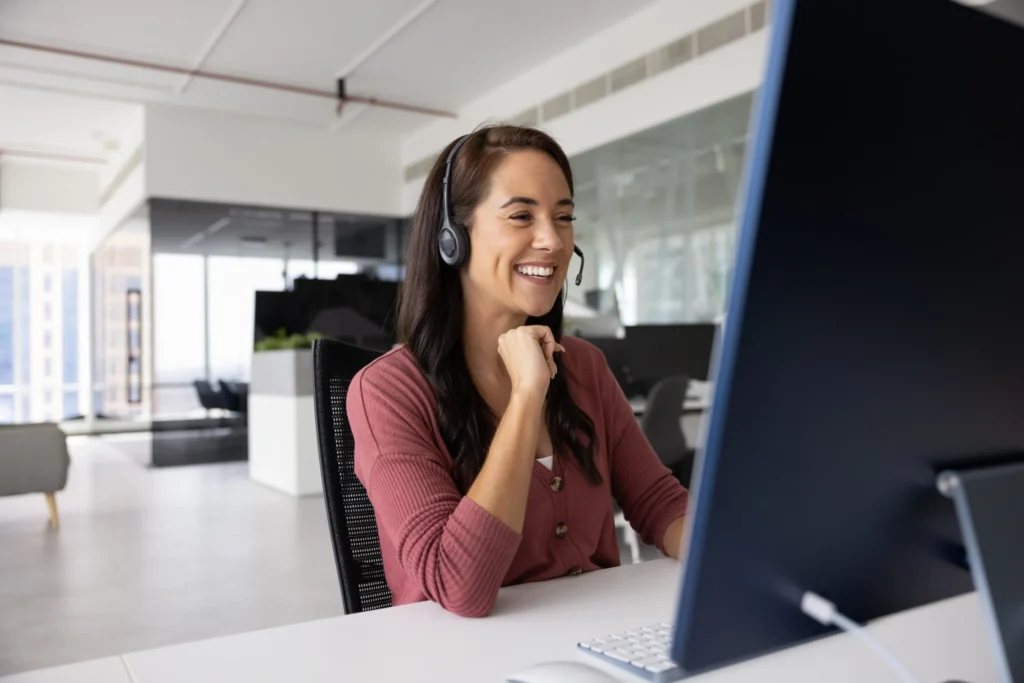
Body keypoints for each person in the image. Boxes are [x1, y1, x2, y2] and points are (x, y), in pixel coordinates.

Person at [348, 125, 689, 617]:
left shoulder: (584, 366)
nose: (552, 240)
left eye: (564, 216)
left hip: (594, 638)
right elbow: (460, 585)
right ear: (453, 237)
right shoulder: (387, 391)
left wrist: (740, 554)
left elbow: (660, 504)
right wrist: (528, 394)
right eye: (521, 215)